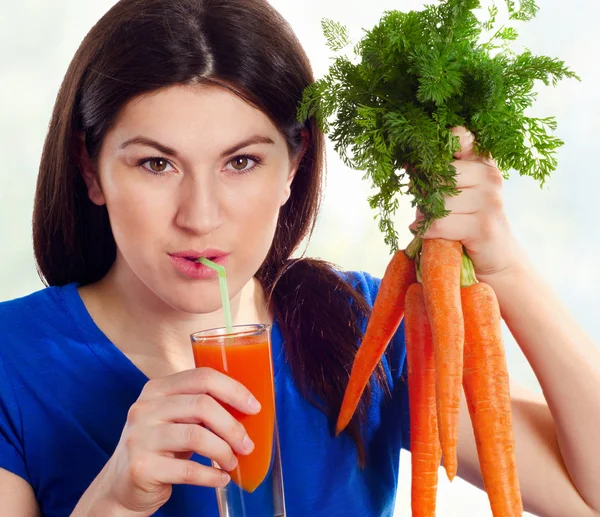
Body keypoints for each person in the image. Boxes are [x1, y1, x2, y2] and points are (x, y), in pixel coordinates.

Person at [1, 0, 599, 516]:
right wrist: (115, 500)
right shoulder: (12, 363)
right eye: (156, 163)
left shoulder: (364, 327)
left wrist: (504, 268)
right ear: (90, 168)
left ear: (292, 166)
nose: (200, 216)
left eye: (242, 162)